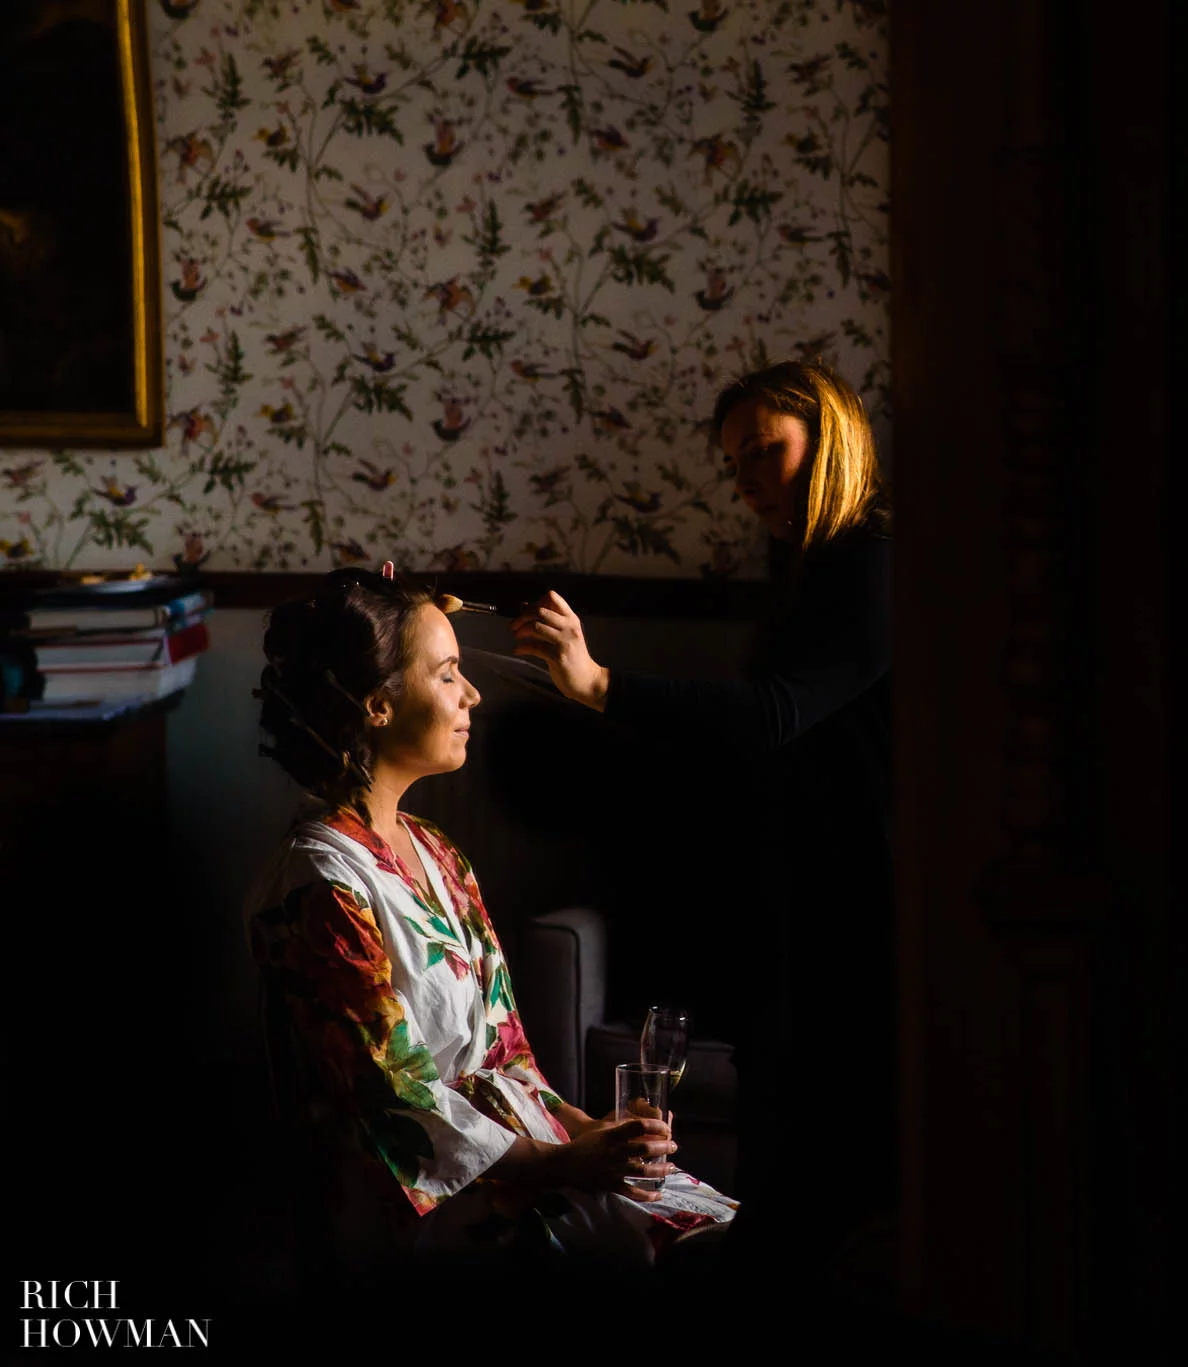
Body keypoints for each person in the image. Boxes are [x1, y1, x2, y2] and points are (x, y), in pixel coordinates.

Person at [243, 564, 738, 1305]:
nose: (472, 694)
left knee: (738, 1232)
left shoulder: (437, 851)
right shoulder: (320, 886)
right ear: (378, 704)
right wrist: (562, 1164)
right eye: (447, 675)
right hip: (427, 1196)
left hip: (528, 1156)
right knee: (707, 1263)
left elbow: (505, 1051)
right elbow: (392, 1105)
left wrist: (596, 1133)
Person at [509, 360, 895, 1298]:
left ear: (832, 432)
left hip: (857, 893)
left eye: (768, 450)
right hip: (802, 888)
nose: (752, 479)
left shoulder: (870, 555)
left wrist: (602, 687)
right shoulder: (808, 564)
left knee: (822, 1152)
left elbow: (772, 717)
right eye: (737, 466)